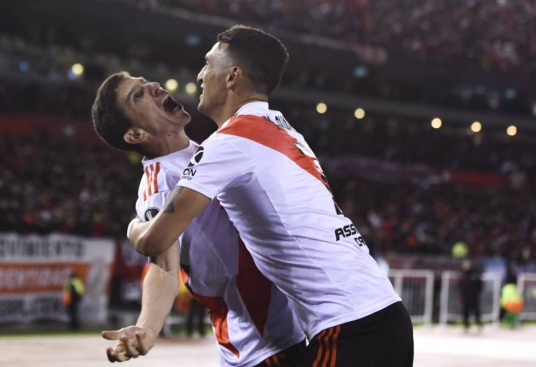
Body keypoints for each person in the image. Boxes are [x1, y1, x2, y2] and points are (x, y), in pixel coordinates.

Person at [126, 25, 414, 366]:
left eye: (208, 64)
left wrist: (133, 226)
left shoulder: (228, 144)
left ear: (233, 76)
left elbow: (156, 240)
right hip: (377, 314)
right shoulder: (282, 129)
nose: (201, 75)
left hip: (350, 328)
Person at [92, 72, 306, 366]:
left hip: (286, 326)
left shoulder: (205, 151)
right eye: (138, 96)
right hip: (263, 342)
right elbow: (164, 265)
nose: (154, 86)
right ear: (136, 135)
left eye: (145, 83)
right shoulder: (161, 185)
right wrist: (147, 327)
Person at [458, 259, 483, 333]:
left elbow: (479, 286)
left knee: (476, 312)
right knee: (465, 312)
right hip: (465, 297)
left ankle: (479, 325)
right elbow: (460, 286)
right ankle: (466, 326)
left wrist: (476, 293)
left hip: (474, 297)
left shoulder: (475, 274)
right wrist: (461, 295)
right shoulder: (462, 275)